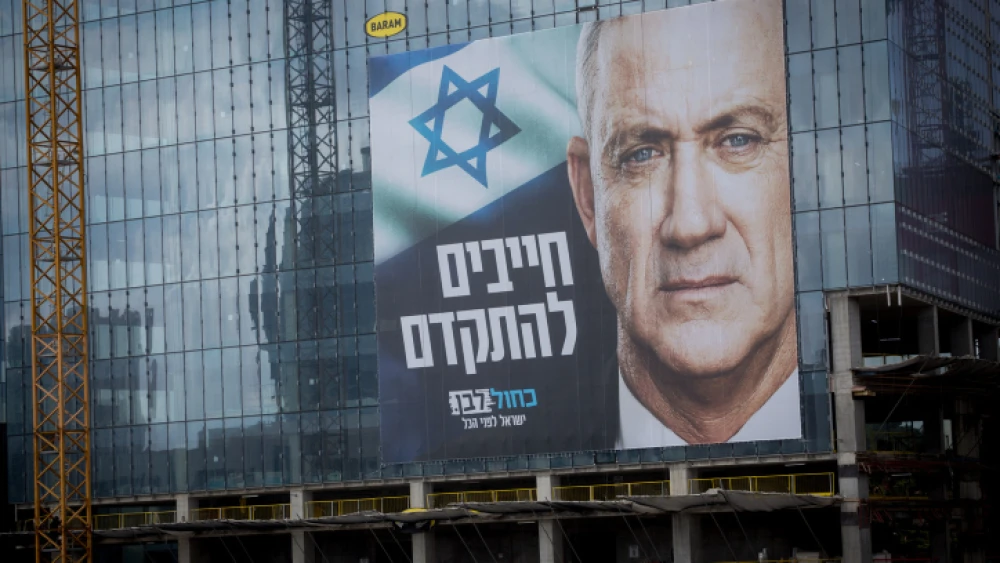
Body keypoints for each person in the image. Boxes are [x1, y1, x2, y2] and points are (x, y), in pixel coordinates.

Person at [566, 0, 800, 448]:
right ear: (588, 197)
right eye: (642, 154)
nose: (691, 224)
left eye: (739, 141)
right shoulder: (469, 463)